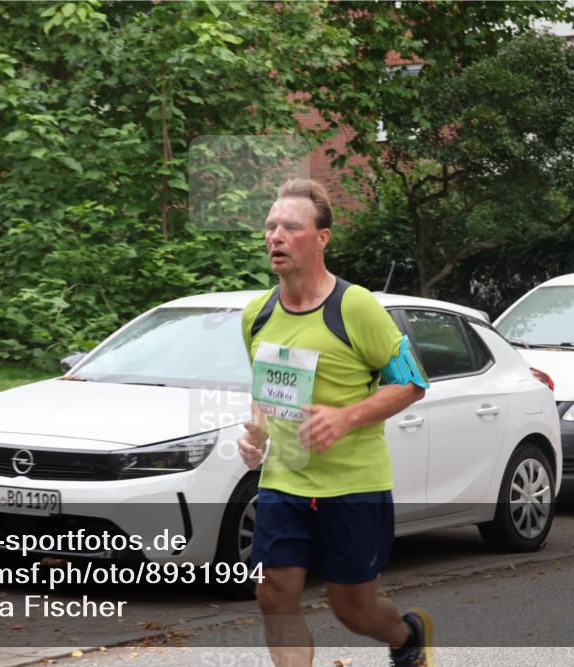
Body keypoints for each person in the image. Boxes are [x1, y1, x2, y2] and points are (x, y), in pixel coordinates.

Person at [238, 178, 433, 667]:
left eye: (291, 227)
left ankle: (406, 636)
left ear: (322, 237)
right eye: (271, 226)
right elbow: (267, 392)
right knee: (273, 593)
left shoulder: (355, 306)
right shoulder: (257, 314)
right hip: (283, 482)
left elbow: (413, 382)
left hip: (353, 485)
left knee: (353, 609)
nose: (276, 236)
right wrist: (257, 432)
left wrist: (346, 417)